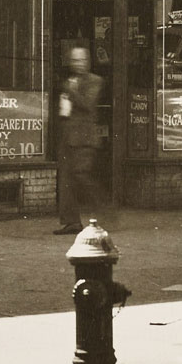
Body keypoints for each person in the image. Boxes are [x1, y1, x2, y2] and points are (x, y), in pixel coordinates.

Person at [54, 44, 103, 235]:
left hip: (85, 139)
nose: (78, 63)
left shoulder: (95, 81)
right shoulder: (69, 81)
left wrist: (71, 90)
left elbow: (88, 104)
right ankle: (71, 222)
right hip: (68, 137)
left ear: (88, 61)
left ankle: (104, 210)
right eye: (75, 60)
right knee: (66, 179)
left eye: (81, 59)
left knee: (80, 175)